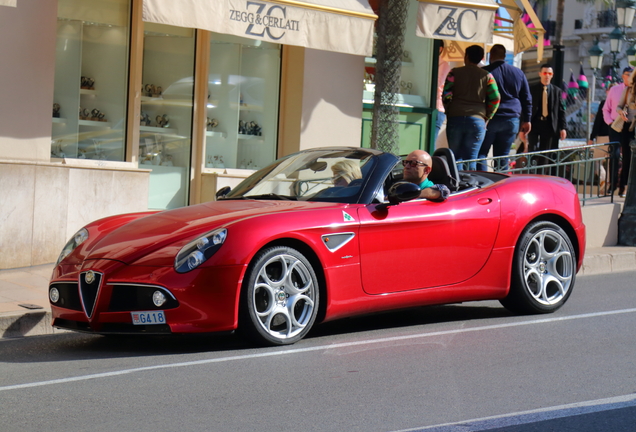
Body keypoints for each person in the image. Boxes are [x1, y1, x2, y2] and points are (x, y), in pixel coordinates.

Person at [443, 45, 500, 170]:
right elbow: (495, 98)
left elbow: (446, 94)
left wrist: (449, 110)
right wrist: (487, 116)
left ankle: (456, 186)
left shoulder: (454, 72)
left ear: (466, 57)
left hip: (455, 118)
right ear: (481, 58)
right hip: (477, 120)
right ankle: (470, 186)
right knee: (471, 159)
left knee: (455, 157)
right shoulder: (487, 76)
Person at [477, 44, 532, 171]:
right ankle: (500, 186)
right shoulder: (518, 73)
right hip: (511, 119)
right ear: (504, 56)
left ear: (491, 56)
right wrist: (527, 119)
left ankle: (482, 185)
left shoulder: (484, 72)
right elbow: (526, 98)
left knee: (481, 154)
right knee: (502, 157)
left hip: (489, 118)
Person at [603, 67, 634, 197]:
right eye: (628, 75)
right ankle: (612, 185)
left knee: (628, 157)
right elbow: (606, 109)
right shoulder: (615, 90)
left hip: (630, 126)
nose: (630, 77)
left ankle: (623, 186)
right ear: (623, 76)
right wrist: (610, 122)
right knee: (614, 155)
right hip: (615, 126)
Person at [528, 64, 567, 154]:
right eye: (545, 73)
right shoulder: (532, 89)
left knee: (546, 153)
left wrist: (563, 128)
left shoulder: (557, 91)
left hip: (549, 125)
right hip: (534, 123)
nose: (547, 75)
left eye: (549, 73)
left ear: (552, 75)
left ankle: (543, 168)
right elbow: (526, 108)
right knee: (532, 151)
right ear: (540, 74)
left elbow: (561, 111)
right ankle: (533, 168)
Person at [434, 40, 451, 145]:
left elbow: (438, 86)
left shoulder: (444, 65)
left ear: (440, 49)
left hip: (437, 107)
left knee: (430, 143)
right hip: (438, 107)